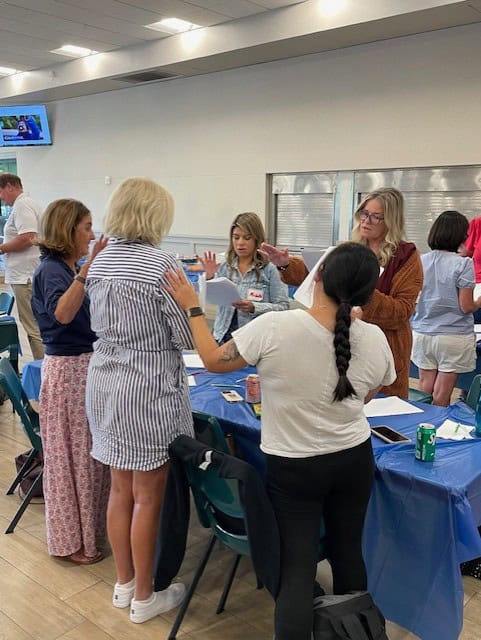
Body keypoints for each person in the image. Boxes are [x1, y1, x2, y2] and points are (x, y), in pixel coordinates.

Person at [165, 242, 396, 640]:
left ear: (318, 276)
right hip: (354, 460)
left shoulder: (276, 327)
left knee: (296, 568)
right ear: (367, 294)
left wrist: (193, 305)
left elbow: (213, 360)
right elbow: (367, 395)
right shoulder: (374, 337)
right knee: (347, 553)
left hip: (296, 465)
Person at [85, 177, 193, 624]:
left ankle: (124, 583)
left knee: (120, 488)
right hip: (148, 386)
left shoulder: (101, 260)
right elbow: (187, 335)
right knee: (148, 497)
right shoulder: (161, 265)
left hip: (105, 380)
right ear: (156, 215)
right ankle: (146, 598)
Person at [260, 188, 423, 398]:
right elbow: (319, 273)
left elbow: (402, 311)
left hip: (386, 348)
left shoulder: (406, 256)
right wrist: (286, 264)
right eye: (364, 213)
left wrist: (359, 289)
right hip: (342, 341)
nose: (367, 221)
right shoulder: (349, 248)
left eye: (376, 217)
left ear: (391, 220)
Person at [31, 199, 110, 564]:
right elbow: (63, 313)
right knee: (73, 461)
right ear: (68, 230)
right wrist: (89, 268)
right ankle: (74, 542)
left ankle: (88, 534)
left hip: (82, 368)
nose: (91, 235)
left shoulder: (67, 267)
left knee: (87, 460)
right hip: (69, 372)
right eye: (86, 227)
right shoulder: (52, 270)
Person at [411, 211, 481, 406]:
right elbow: (466, 306)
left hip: (423, 333)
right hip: (453, 336)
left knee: (424, 388)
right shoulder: (463, 264)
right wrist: (479, 301)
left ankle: (420, 429)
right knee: (442, 393)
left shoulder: (419, 261)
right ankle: (435, 433)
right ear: (460, 235)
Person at [200, 212, 289, 343]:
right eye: (236, 237)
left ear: (256, 239)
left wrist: (254, 307)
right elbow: (214, 300)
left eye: (247, 238)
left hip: (254, 340)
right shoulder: (226, 265)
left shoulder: (270, 269)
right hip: (222, 336)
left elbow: (283, 307)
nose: (240, 243)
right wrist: (209, 277)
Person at [0, 173, 44, 360]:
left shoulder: (22, 205)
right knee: (35, 327)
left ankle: (42, 373)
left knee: (33, 329)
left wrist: (2, 248)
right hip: (26, 275)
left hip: (25, 277)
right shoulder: (25, 204)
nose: (1, 197)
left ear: (10, 186)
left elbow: (28, 237)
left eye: (0, 192)